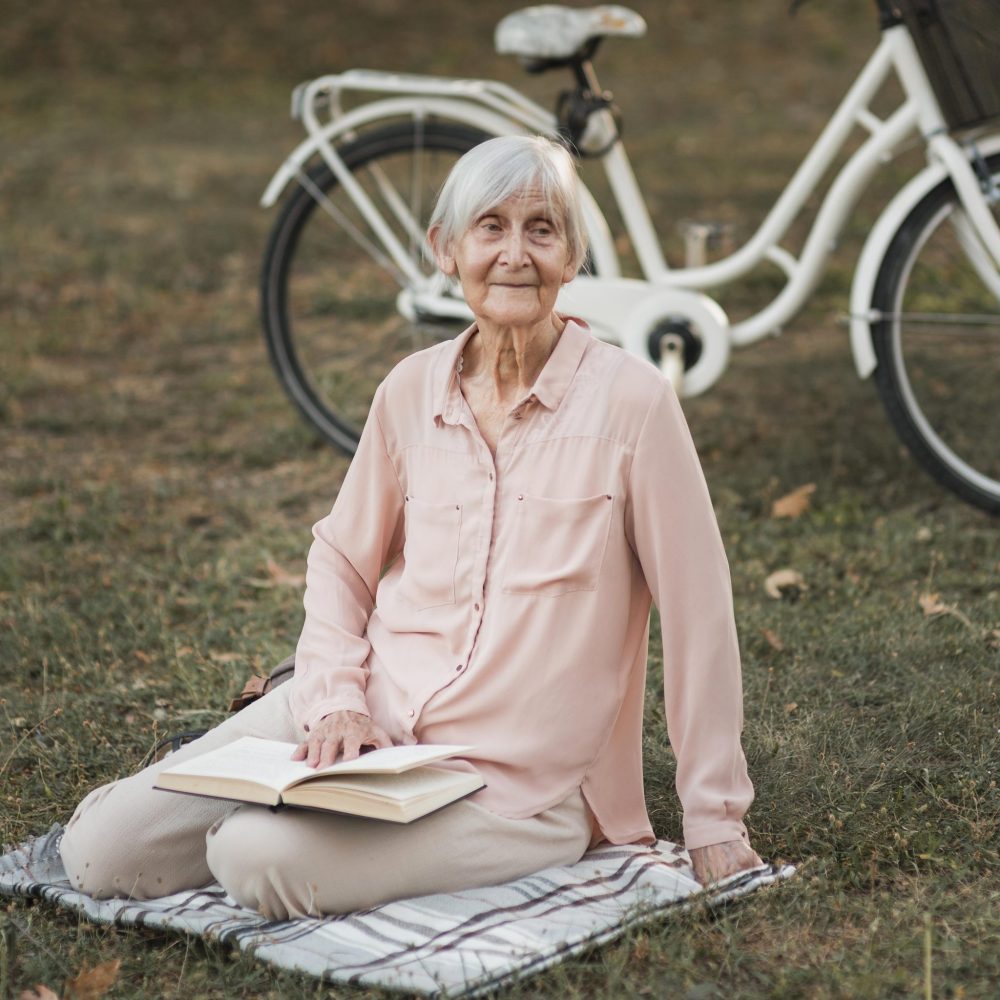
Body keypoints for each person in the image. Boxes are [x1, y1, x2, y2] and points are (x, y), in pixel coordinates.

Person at [60, 135, 761, 920]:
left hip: (514, 785)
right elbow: (342, 561)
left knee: (252, 856)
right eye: (490, 228)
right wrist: (336, 700)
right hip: (363, 716)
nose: (515, 254)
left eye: (541, 229)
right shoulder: (408, 391)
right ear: (445, 250)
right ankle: (280, 752)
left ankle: (277, 820)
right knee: (99, 854)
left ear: (573, 256)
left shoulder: (634, 404)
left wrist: (713, 818)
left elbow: (699, 612)